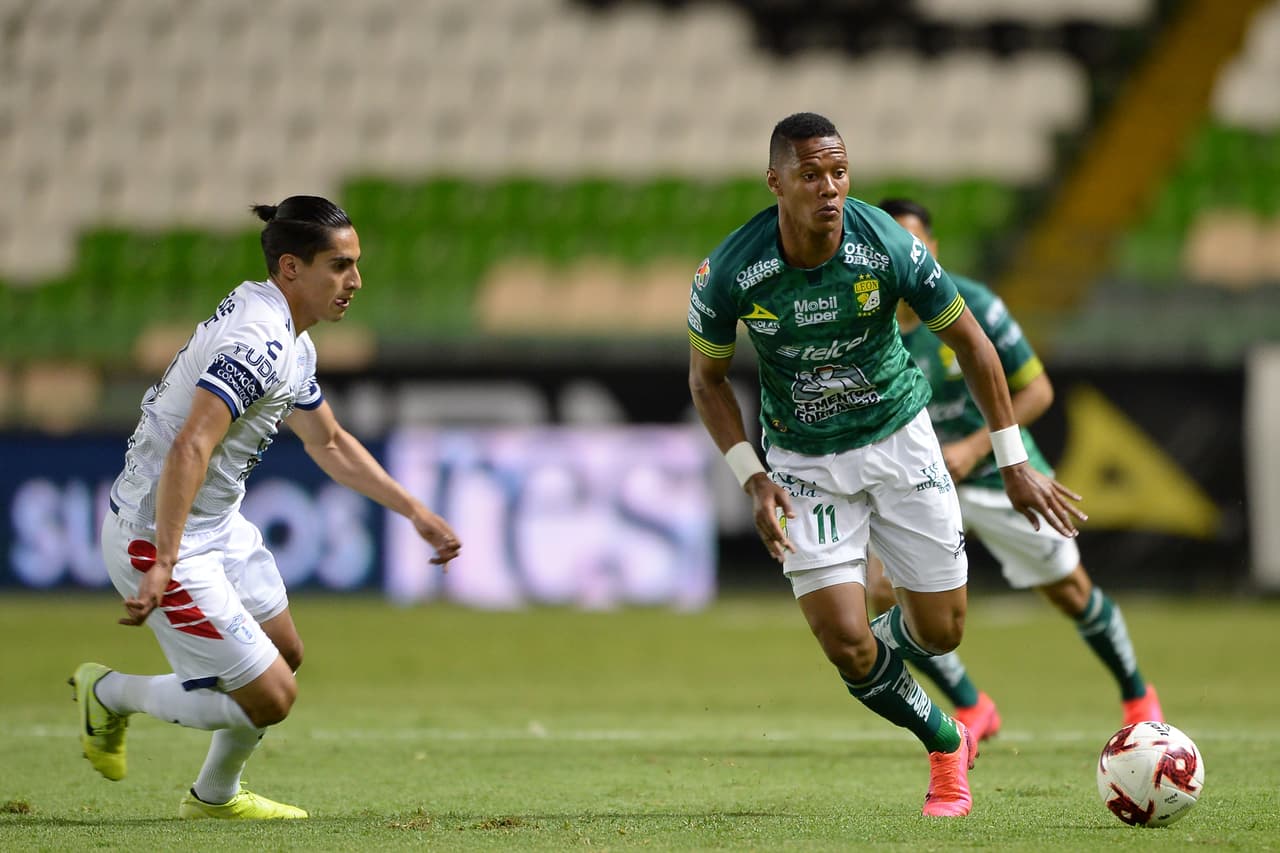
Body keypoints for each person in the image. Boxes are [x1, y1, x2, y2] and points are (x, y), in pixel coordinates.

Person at [686, 112, 1085, 818]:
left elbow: (974, 343)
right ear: (775, 181)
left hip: (900, 440)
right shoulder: (731, 273)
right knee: (846, 643)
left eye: (839, 172)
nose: (829, 188)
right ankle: (944, 741)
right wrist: (752, 474)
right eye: (811, 175)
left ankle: (901, 666)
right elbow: (707, 380)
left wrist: (1013, 458)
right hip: (804, 462)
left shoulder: (887, 245)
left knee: (942, 632)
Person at [71, 195, 462, 819]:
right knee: (273, 697)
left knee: (285, 657)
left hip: (217, 524)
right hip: (158, 531)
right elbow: (191, 442)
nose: (355, 281)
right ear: (290, 268)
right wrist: (165, 558)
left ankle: (214, 798)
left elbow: (328, 441)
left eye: (355, 264)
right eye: (338, 266)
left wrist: (414, 511)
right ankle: (111, 693)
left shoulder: (289, 337)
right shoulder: (258, 341)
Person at [861, 197, 1162, 743]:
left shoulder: (968, 303)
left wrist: (976, 448)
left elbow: (1039, 390)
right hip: (920, 484)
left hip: (1000, 473)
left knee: (1069, 590)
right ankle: (974, 707)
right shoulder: (864, 322)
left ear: (930, 248)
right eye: (890, 244)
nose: (903, 253)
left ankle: (1139, 694)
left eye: (913, 242)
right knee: (882, 590)